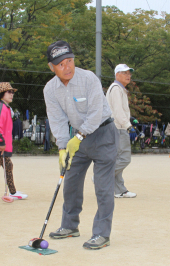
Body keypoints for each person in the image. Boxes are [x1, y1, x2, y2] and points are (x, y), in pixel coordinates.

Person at [44, 40, 118, 250]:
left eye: (70, 61)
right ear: (52, 67)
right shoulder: (50, 89)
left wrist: (79, 137)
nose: (67, 67)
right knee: (71, 182)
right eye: (61, 64)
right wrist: (61, 147)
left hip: (103, 134)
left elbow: (96, 113)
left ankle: (102, 234)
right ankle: (70, 226)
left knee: (103, 187)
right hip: (77, 140)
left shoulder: (88, 79)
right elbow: (57, 120)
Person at [106, 63, 137, 198]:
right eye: (125, 73)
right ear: (117, 75)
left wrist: (131, 118)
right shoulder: (116, 89)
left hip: (117, 126)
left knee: (117, 158)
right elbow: (117, 111)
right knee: (125, 158)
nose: (128, 75)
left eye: (129, 73)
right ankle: (102, 177)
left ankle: (119, 190)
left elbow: (119, 110)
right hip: (118, 127)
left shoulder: (119, 89)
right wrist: (128, 125)